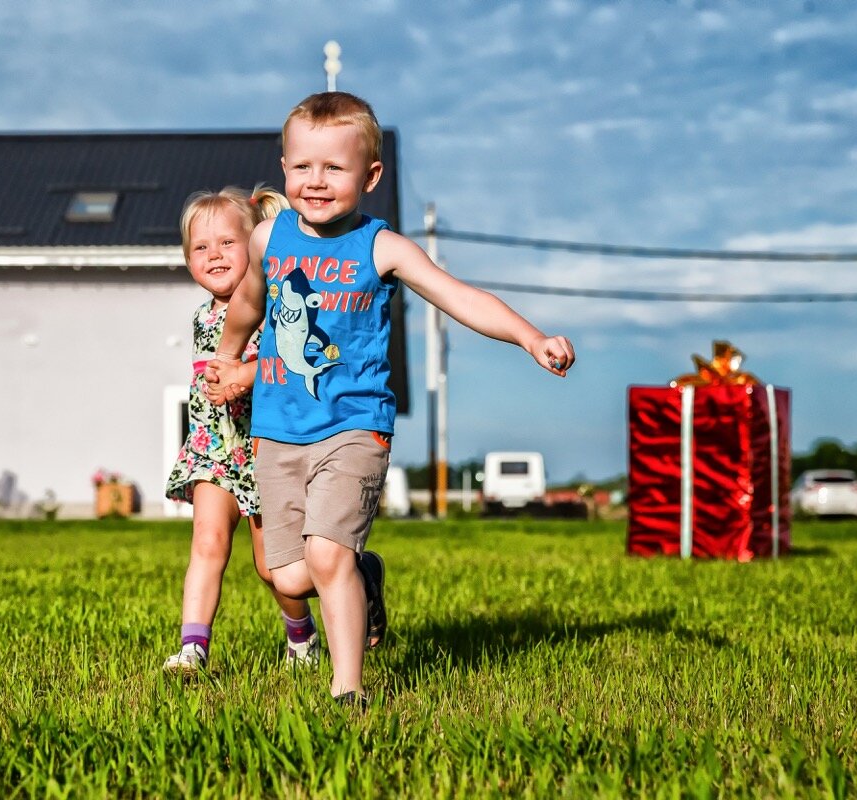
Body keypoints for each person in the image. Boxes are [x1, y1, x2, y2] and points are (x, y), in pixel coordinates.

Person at [207, 91, 576, 705]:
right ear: (283, 168)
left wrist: (530, 338)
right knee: (286, 573)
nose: (316, 182)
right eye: (302, 168)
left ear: (370, 176)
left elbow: (463, 297)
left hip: (355, 426)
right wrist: (227, 353)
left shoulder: (383, 248)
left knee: (325, 556)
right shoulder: (268, 239)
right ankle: (364, 574)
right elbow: (247, 303)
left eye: (334, 168)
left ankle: (347, 691)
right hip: (277, 427)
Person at [163, 185, 320, 675]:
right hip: (214, 451)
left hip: (265, 451)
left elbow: (287, 363)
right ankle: (194, 649)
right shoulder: (201, 317)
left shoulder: (275, 308)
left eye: (227, 244)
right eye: (200, 248)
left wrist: (242, 377)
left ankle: (303, 636)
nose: (213, 255)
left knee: (272, 567)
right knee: (208, 544)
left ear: (254, 245)